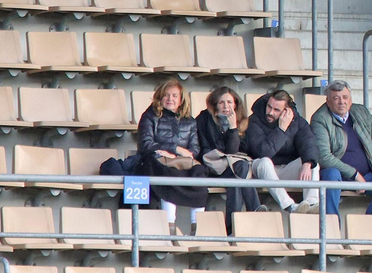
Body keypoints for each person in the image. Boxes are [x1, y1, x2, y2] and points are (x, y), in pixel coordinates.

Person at [311, 80, 372, 217]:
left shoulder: (361, 112)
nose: (342, 102)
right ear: (328, 102)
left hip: (366, 176)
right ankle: (331, 227)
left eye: (345, 97)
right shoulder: (320, 119)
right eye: (336, 98)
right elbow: (324, 157)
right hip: (338, 175)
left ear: (350, 100)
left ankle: (367, 227)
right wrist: (355, 175)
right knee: (331, 175)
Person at [136, 78, 209, 223]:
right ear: (160, 97)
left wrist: (184, 155)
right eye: (166, 95)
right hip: (156, 161)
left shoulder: (190, 121)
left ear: (181, 100)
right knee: (170, 175)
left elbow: (195, 148)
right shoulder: (149, 116)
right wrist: (174, 149)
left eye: (175, 95)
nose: (170, 99)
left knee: (199, 172)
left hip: (182, 162)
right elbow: (145, 144)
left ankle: (197, 226)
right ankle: (169, 225)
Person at [244, 89, 321, 213]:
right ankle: (290, 206)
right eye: (269, 107)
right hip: (260, 170)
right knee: (265, 162)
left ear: (286, 111)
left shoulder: (297, 121)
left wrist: (307, 163)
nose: (270, 112)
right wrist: (281, 129)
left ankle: (312, 203)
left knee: (312, 163)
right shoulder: (254, 120)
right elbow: (262, 152)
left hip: (285, 169)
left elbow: (309, 142)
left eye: (276, 110)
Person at [196, 86, 263, 224]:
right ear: (215, 105)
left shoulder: (242, 121)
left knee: (238, 175)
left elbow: (236, 150)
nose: (226, 106)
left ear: (236, 104)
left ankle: (232, 225)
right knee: (240, 170)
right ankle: (255, 212)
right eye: (221, 102)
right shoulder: (205, 119)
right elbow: (213, 149)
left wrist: (233, 128)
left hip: (232, 168)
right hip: (211, 165)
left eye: (230, 102)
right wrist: (231, 131)